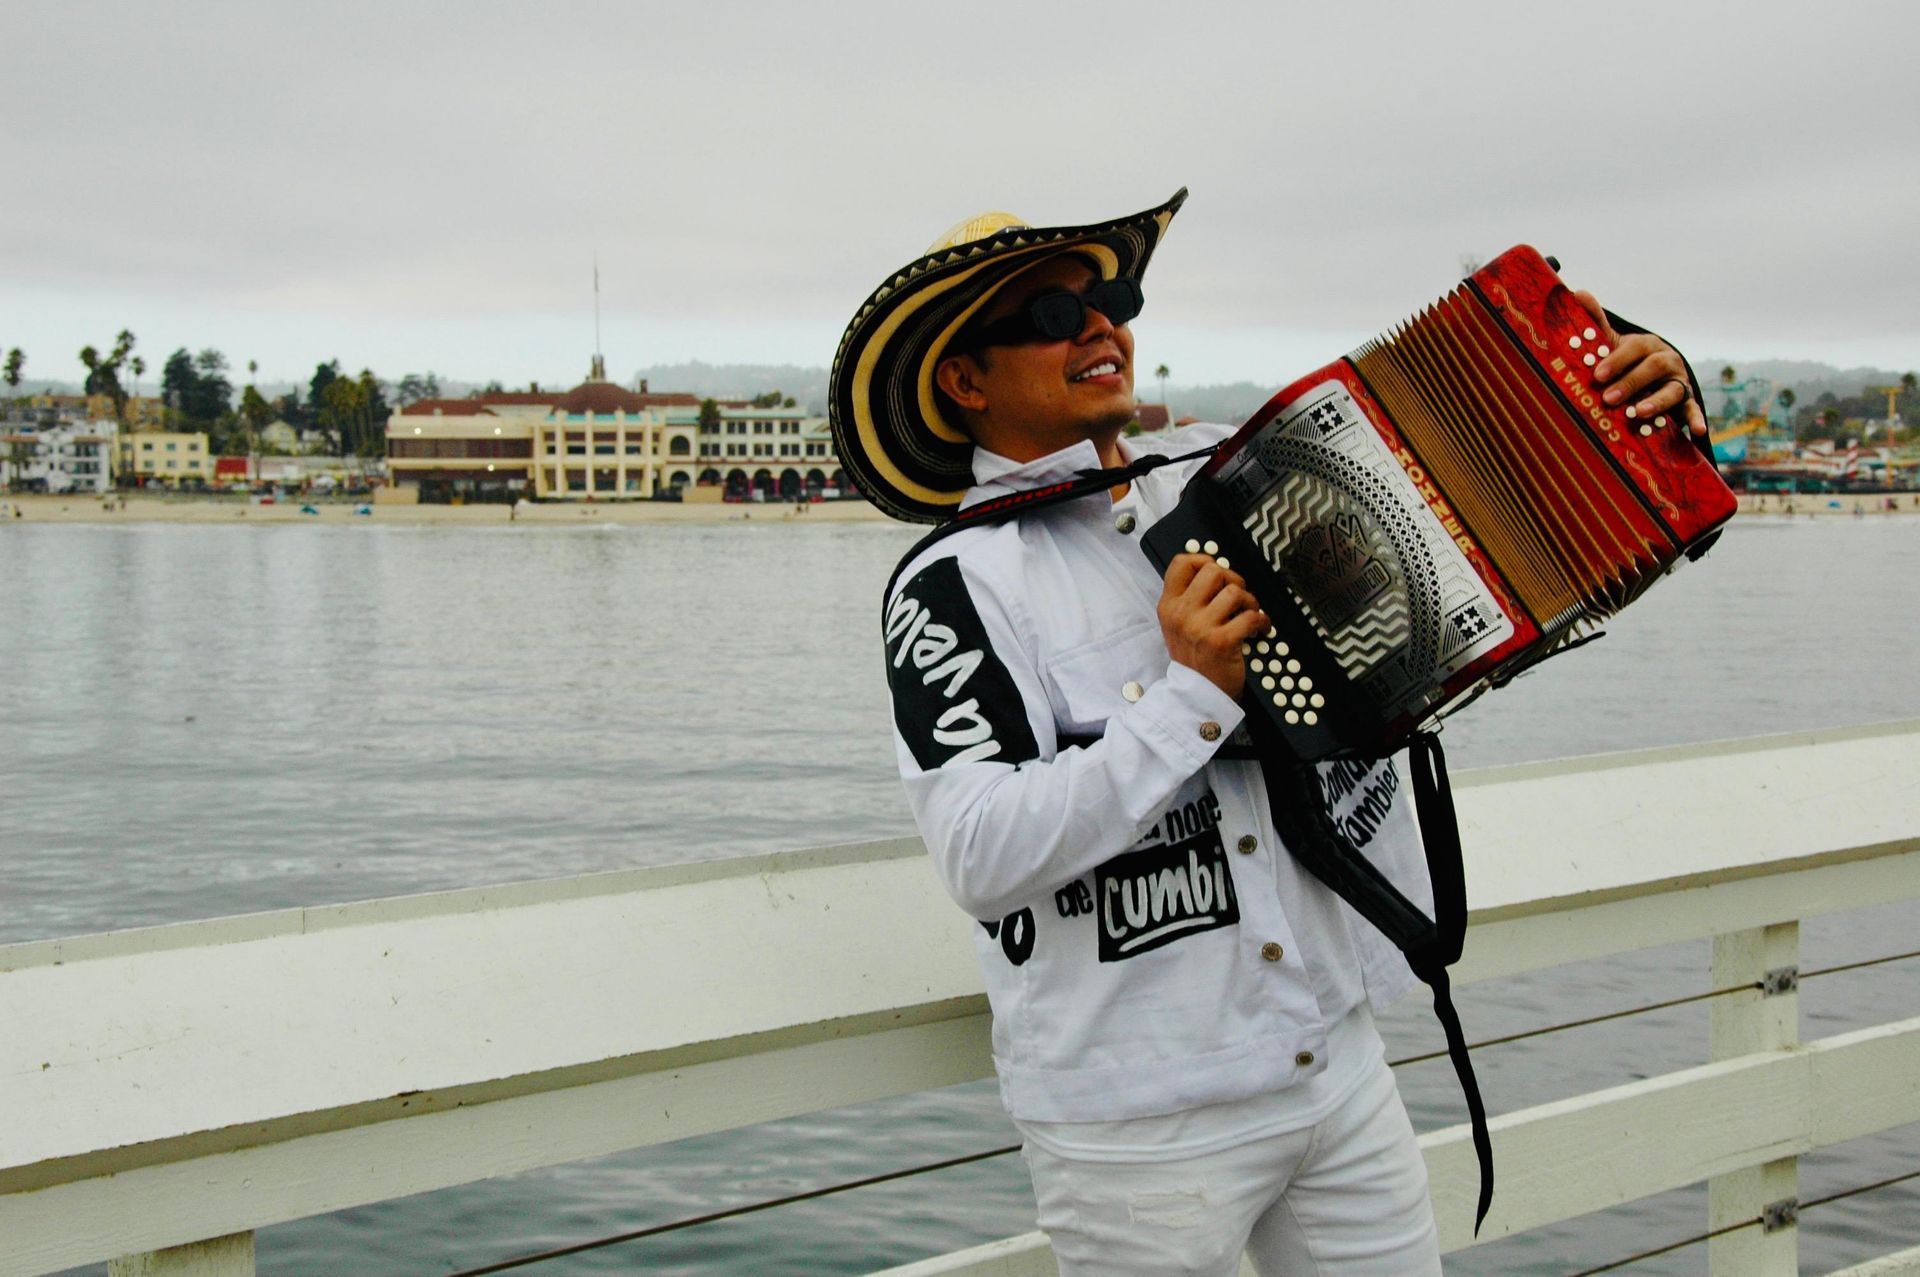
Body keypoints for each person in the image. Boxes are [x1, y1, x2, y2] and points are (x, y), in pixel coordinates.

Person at [829, 190, 1704, 1275]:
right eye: (1054, 315)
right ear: (963, 380)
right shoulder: (955, 581)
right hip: (1141, 1120)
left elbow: (1469, 487)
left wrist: (1634, 377)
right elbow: (980, 849)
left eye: (1111, 298)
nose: (1102, 326)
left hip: (1331, 1055)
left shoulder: (1226, 464)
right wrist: (1191, 694)